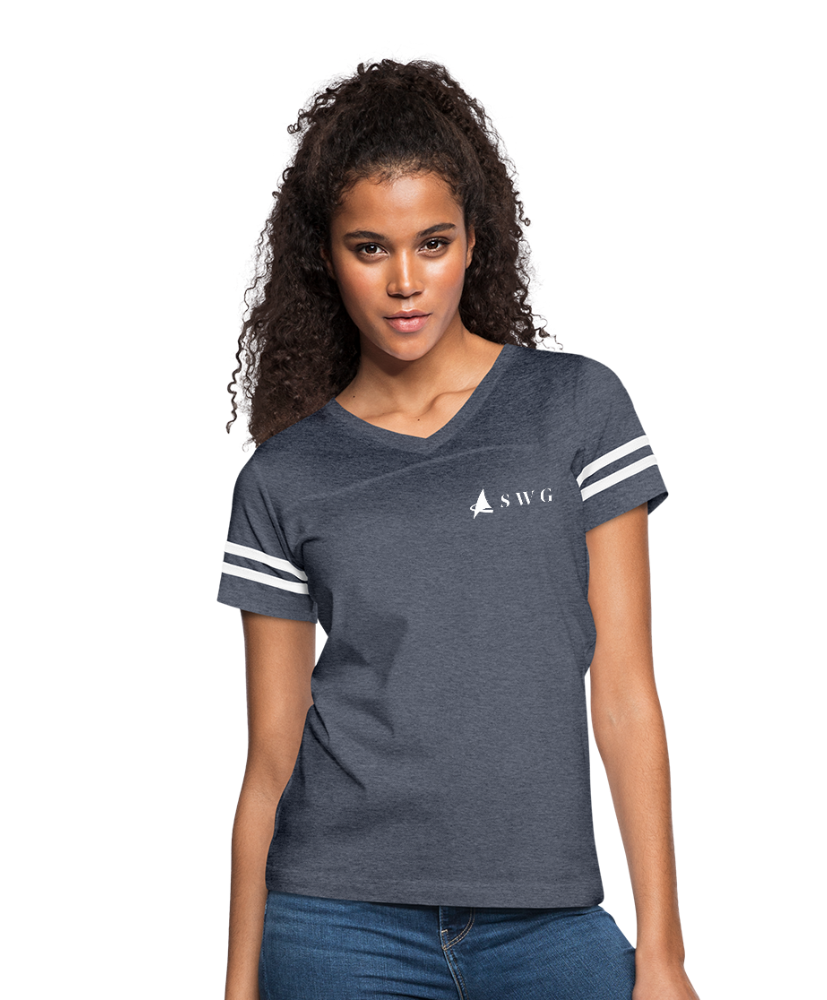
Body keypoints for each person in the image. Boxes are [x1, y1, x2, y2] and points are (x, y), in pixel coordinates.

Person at [219, 43, 699, 1000]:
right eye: (371, 248)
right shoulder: (284, 478)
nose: (405, 281)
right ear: (327, 256)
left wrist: (662, 952)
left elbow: (625, 692)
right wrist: (238, 985)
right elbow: (271, 755)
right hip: (336, 921)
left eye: (432, 242)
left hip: (549, 921)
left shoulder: (576, 410)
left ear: (474, 240)